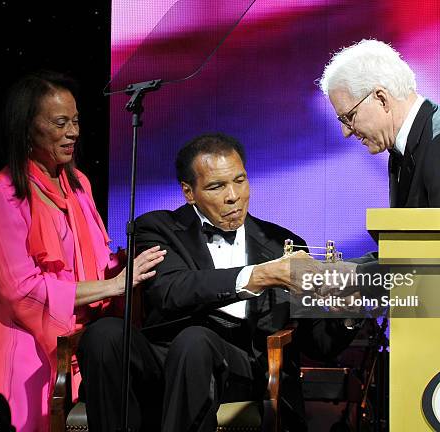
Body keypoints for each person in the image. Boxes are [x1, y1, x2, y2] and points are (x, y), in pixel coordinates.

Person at [78, 133, 357, 432]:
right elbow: (171, 290)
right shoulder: (158, 228)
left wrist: (347, 312)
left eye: (240, 180)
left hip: (238, 368)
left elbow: (317, 344)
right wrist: (260, 275)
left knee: (196, 342)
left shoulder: (281, 245)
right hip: (165, 358)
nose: (233, 196)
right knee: (104, 333)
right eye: (216, 186)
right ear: (189, 191)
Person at [0, 71, 165, 432]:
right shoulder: (1, 195)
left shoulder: (78, 183)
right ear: (26, 129)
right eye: (60, 123)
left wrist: (136, 263)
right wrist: (114, 286)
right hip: (19, 346)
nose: (74, 132)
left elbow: (96, 262)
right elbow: (22, 291)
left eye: (76, 120)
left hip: (75, 341)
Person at [319, 39, 440, 208]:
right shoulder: (402, 149)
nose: (346, 131)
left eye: (349, 117)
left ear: (381, 98)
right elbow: (411, 245)